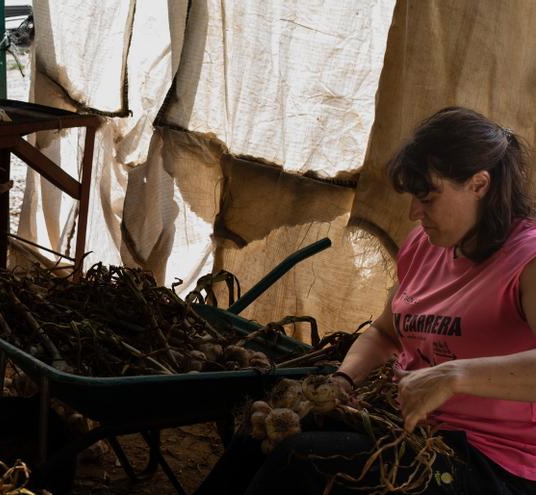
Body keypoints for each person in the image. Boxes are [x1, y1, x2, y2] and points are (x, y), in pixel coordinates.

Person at [196, 107, 536, 494]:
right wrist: (343, 380)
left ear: (479, 184)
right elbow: (384, 333)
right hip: (407, 427)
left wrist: (455, 376)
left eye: (428, 197)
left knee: (304, 460)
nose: (414, 212)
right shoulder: (426, 246)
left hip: (490, 463)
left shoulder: (527, 259)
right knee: (263, 430)